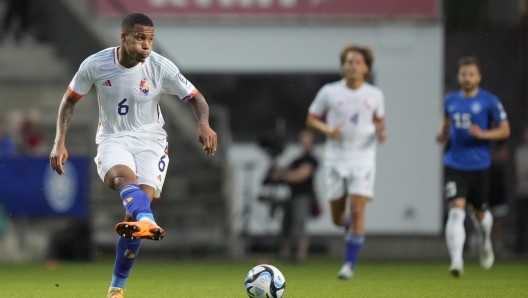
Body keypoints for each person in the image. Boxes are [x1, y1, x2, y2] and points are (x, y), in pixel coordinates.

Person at [48, 13, 217, 298]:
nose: (146, 45)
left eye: (150, 39)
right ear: (123, 38)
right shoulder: (95, 64)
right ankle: (147, 221)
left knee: (133, 217)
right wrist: (59, 141)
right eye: (140, 38)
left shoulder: (160, 67)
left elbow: (196, 98)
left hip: (151, 142)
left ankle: (116, 287)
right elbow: (69, 102)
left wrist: (203, 123)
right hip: (113, 138)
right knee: (123, 179)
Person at [306, 44, 386, 279]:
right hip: (336, 157)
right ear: (343, 66)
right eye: (349, 62)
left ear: (366, 68)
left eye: (357, 62)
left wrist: (382, 134)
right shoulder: (329, 92)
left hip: (363, 158)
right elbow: (311, 119)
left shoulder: (375, 95)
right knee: (338, 217)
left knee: (358, 208)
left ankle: (348, 266)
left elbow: (380, 123)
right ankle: (348, 226)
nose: (352, 66)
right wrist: (327, 129)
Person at [436, 56, 510, 277]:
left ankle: (485, 241)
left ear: (478, 77)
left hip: (479, 165)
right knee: (456, 213)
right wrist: (441, 132)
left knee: (479, 214)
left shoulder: (489, 101)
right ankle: (457, 261)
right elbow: (445, 120)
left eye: (471, 74)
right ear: (459, 77)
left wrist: (484, 133)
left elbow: (505, 130)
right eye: (463, 74)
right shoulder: (450, 100)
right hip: (454, 163)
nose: (467, 78)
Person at [268, 129, 318, 263]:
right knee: (286, 226)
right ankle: (284, 254)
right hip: (291, 195)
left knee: (299, 225)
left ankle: (300, 256)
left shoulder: (311, 159)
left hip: (303, 197)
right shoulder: (297, 159)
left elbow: (300, 175)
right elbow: (282, 170)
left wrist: (283, 176)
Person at [514, 127, 528, 253]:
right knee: (522, 221)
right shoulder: (520, 151)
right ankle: (521, 248)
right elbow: (520, 172)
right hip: (523, 191)